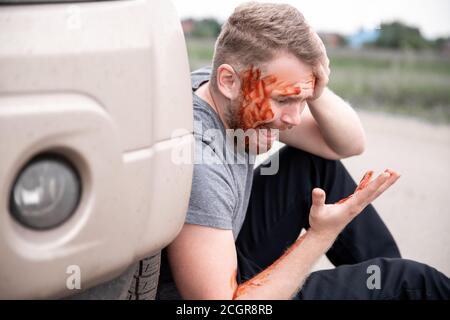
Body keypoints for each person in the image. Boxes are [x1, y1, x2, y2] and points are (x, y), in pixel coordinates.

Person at [156, 2, 450, 299]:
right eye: (284, 99)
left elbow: (349, 144)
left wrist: (315, 92)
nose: (295, 119)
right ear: (228, 81)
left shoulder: (219, 87)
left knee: (316, 166)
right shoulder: (200, 163)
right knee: (411, 282)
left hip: (225, 248)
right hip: (222, 294)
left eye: (303, 100)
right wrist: (320, 235)